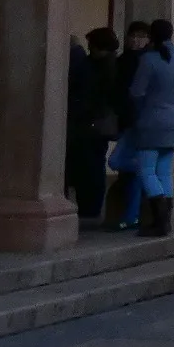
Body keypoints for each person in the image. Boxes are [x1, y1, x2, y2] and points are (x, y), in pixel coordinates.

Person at [127, 19, 174, 239]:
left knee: (146, 171)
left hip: (150, 120)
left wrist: (143, 110)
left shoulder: (149, 60)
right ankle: (165, 220)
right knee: (164, 171)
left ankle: (159, 220)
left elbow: (136, 92)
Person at [70, 28, 123, 226]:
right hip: (96, 123)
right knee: (93, 165)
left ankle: (89, 207)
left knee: (89, 166)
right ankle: (90, 206)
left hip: (91, 122)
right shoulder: (109, 64)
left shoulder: (100, 67)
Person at [105, 22, 151, 231]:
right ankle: (131, 214)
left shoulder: (147, 61)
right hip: (129, 121)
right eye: (133, 36)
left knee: (120, 163)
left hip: (140, 123)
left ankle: (132, 213)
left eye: (141, 36)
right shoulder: (125, 60)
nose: (135, 40)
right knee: (130, 172)